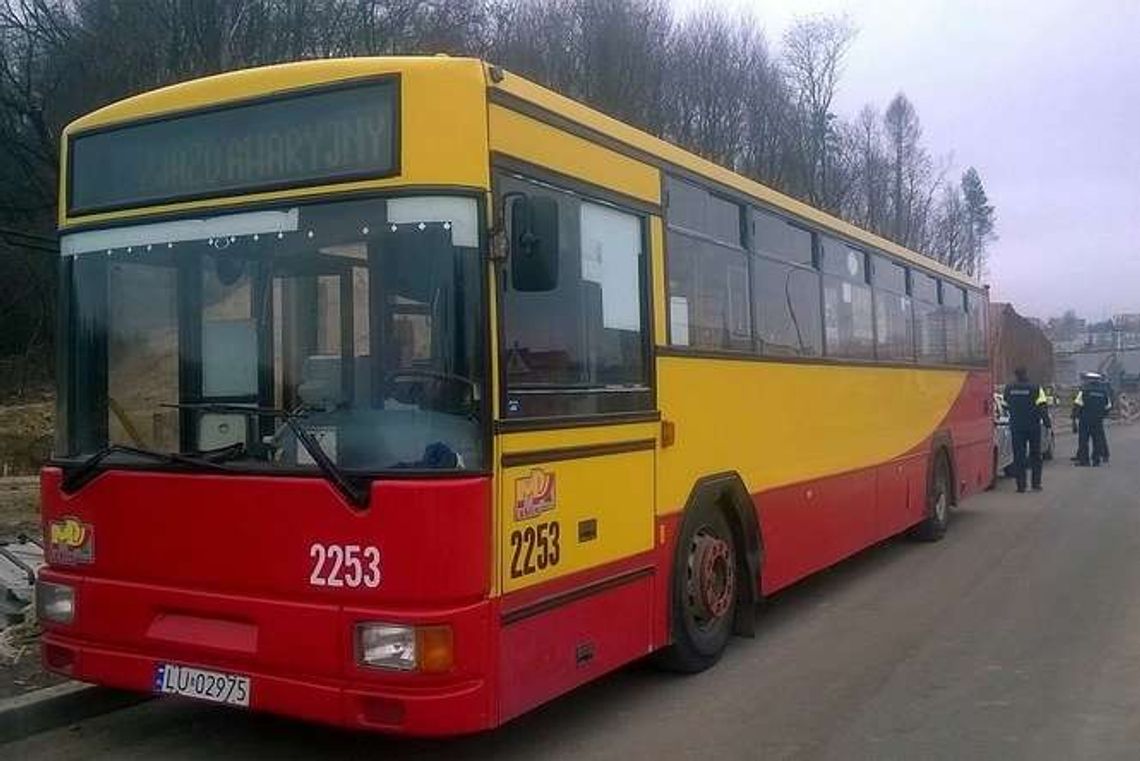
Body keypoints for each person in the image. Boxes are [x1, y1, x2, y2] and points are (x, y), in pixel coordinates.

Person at [1003, 367, 1051, 492]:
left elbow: (1005, 405)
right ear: (1026, 374)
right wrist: (1047, 423)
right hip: (1033, 426)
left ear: (1016, 375)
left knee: (1019, 457)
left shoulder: (1009, 388)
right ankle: (1036, 484)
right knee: (1035, 455)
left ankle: (1021, 486)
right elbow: (1042, 407)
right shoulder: (1036, 388)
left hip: (1016, 427)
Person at [1073, 372, 1113, 466]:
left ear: (1088, 380)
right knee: (1097, 440)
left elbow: (1077, 405)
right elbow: (1108, 406)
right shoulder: (1104, 392)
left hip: (1085, 420)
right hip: (1098, 420)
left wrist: (1075, 417)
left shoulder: (1084, 391)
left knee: (1083, 441)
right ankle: (1096, 460)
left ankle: (1084, 461)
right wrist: (1102, 415)